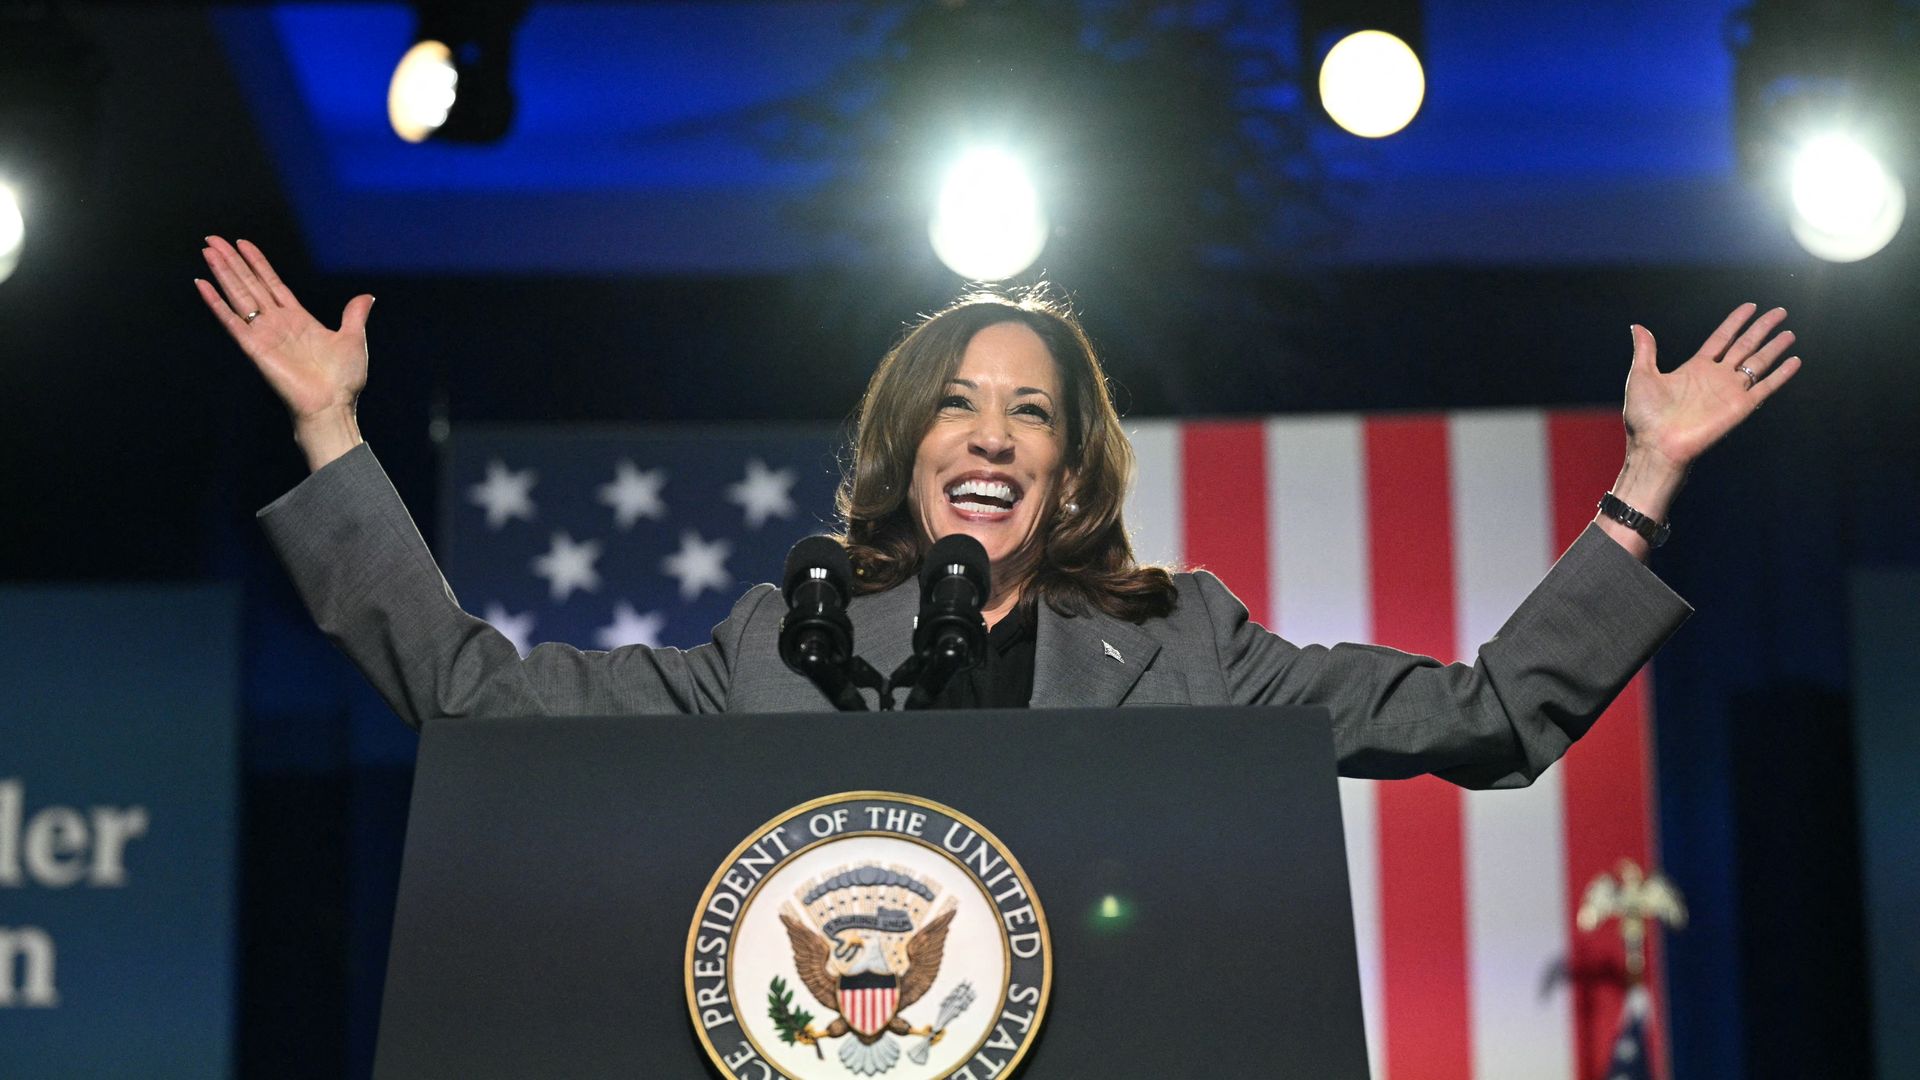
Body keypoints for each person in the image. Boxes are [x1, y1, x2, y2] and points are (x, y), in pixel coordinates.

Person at [197, 235, 1800, 789]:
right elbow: (475, 702)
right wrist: (333, 429)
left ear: (1072, 470)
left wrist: (1646, 482)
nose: (990, 433)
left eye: (1031, 412)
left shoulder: (1192, 648)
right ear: (906, 451)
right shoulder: (778, 647)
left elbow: (1485, 717)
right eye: (957, 404)